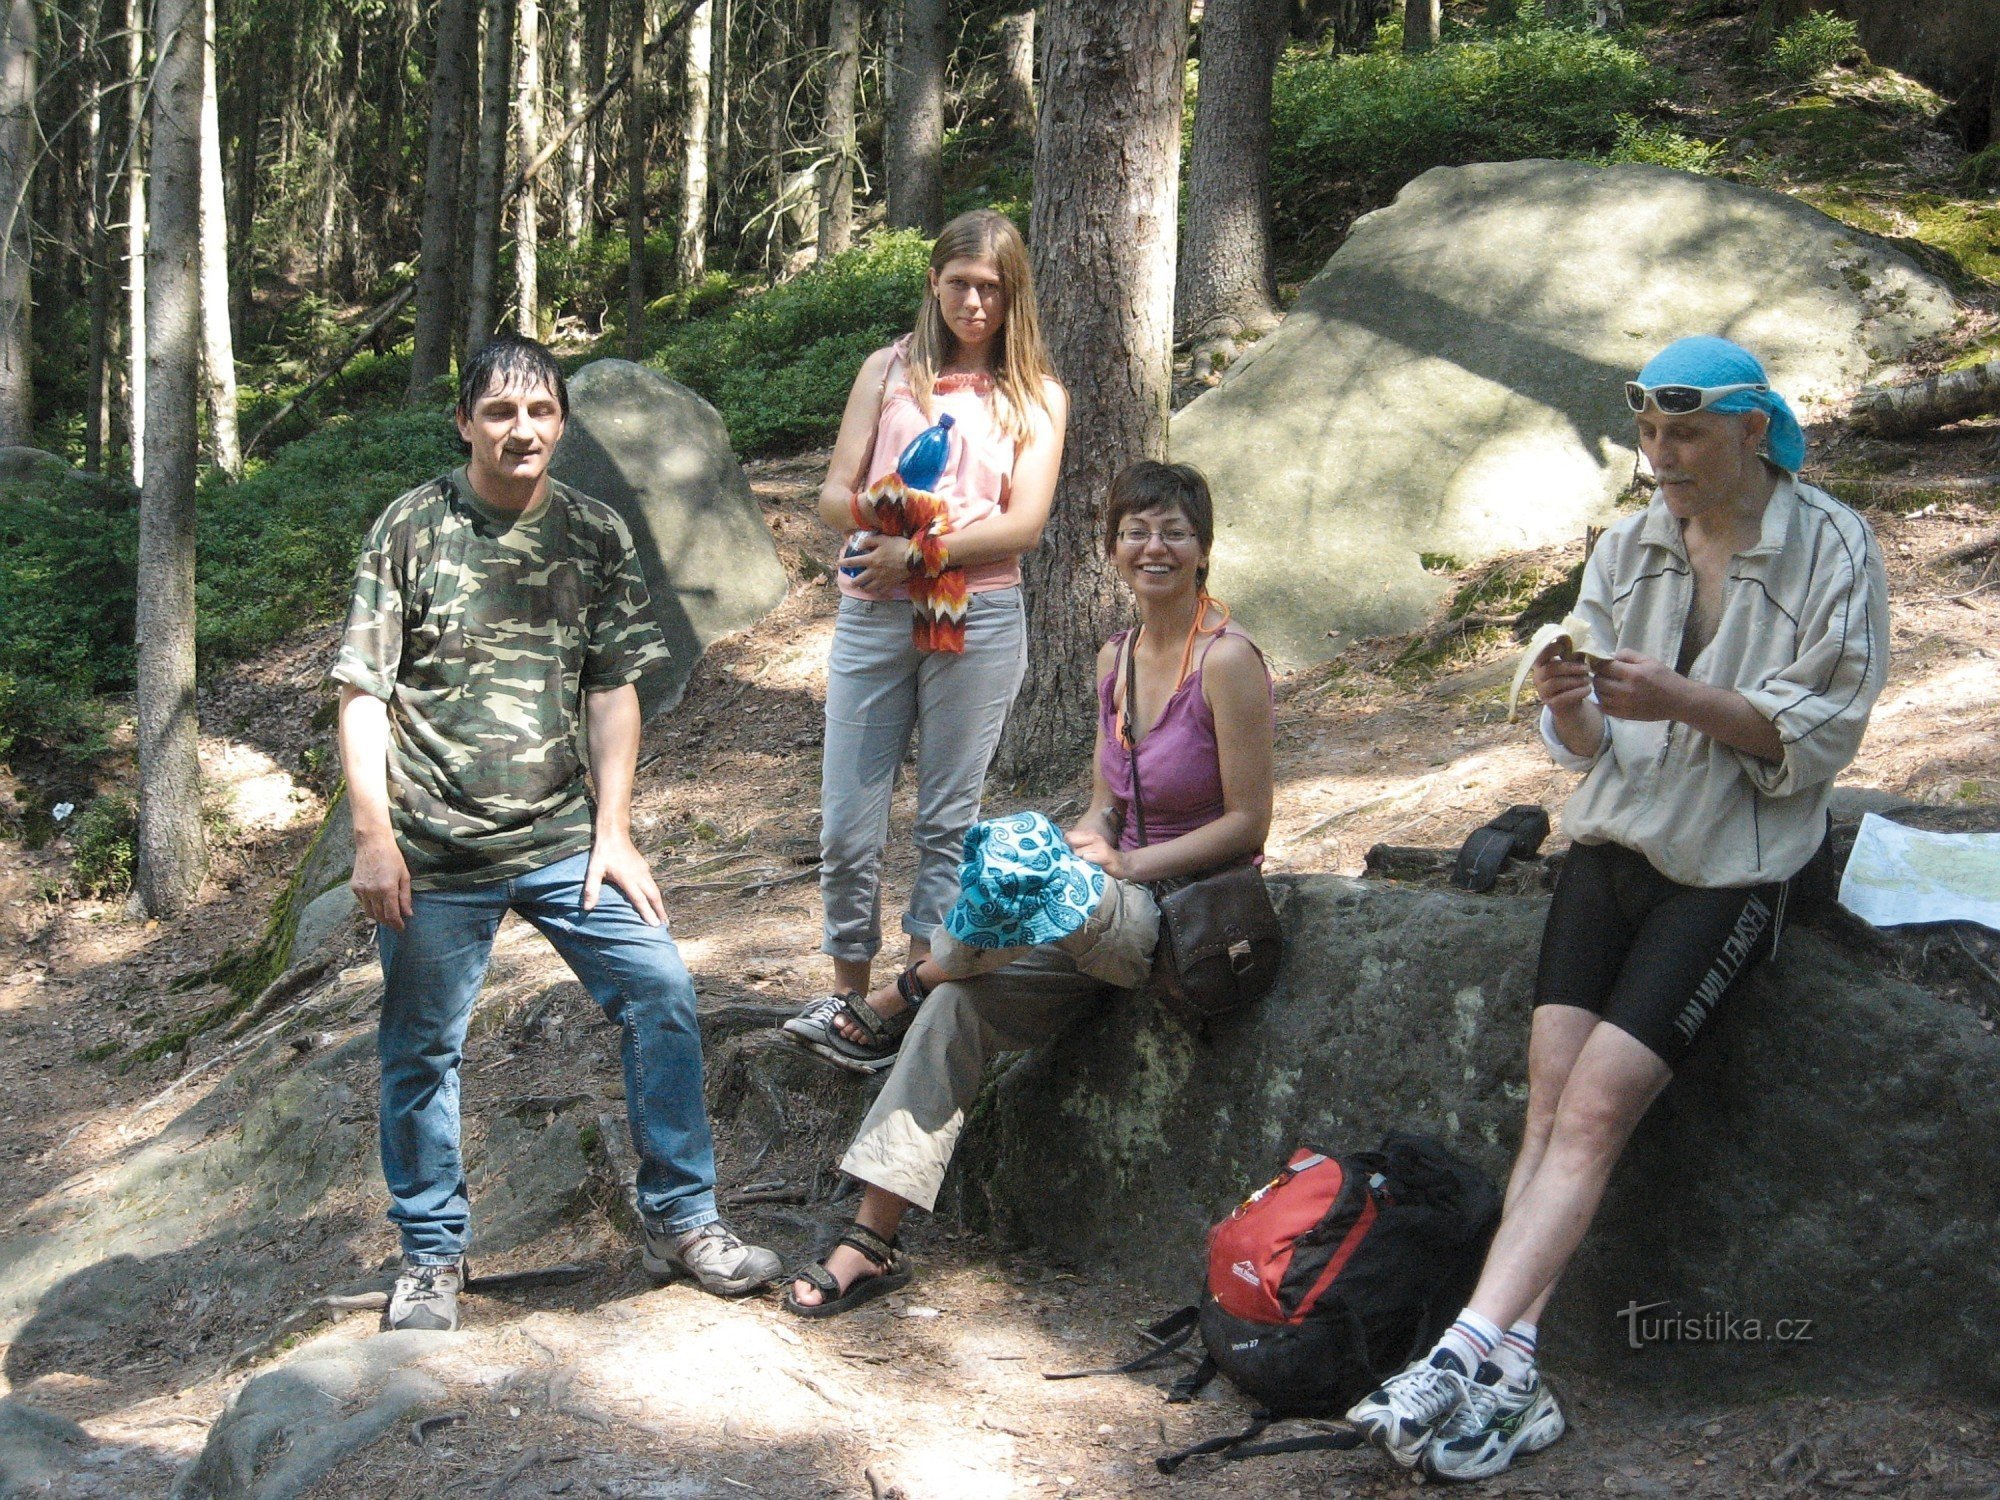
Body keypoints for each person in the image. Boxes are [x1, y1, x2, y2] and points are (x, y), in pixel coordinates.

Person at [1347, 336, 1890, 1483]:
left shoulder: (1833, 544)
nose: (1659, 459)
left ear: (1753, 430)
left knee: (1593, 1112)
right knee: (1547, 1104)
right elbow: (1582, 744)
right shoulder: (1631, 542)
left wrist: (1687, 698)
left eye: (1684, 435)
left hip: (1731, 863)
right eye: (1647, 434)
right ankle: (1513, 1371)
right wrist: (1568, 707)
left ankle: (1456, 1352)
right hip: (1610, 844)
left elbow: (1824, 732)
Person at [331, 333, 780, 1332]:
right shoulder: (410, 530)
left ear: (561, 423)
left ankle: (681, 1218)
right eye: (498, 411)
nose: (520, 429)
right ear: (464, 422)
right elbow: (361, 692)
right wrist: (374, 837)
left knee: (660, 991)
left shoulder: (593, 531)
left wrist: (614, 831)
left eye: (538, 411)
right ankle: (432, 1254)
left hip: (561, 840)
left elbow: (612, 687)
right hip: (436, 853)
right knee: (420, 1050)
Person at [783, 460, 1276, 1316]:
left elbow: (1249, 824)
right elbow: (1105, 804)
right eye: (1136, 531)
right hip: (1099, 916)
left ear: (1203, 548)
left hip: (1182, 916)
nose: (1153, 548)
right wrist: (1089, 841)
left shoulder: (1228, 662)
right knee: (962, 999)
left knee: (1028, 882)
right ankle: (871, 1236)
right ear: (1114, 547)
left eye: (1173, 532)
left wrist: (1125, 867)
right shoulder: (1115, 657)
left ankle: (902, 987)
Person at [782, 208, 1068, 1072]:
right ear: (933, 285)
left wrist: (926, 550)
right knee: (849, 819)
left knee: (948, 818)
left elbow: (1025, 524)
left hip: (977, 618)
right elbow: (835, 493)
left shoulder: (1037, 396)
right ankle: (844, 987)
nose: (973, 305)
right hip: (876, 610)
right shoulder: (891, 371)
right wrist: (885, 525)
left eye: (991, 289)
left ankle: (906, 999)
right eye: (959, 286)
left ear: (1013, 294)